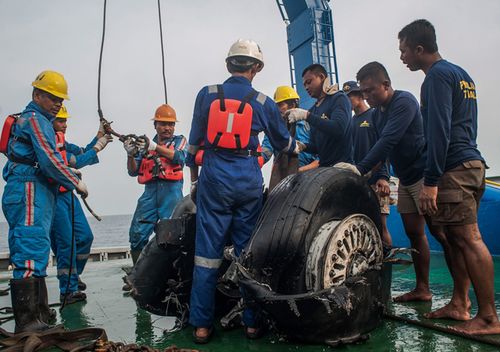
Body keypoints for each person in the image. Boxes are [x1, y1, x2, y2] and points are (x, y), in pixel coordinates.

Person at [186, 39, 299, 344]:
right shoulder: (263, 102)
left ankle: (201, 325)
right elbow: (283, 146)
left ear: (228, 65)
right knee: (247, 254)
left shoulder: (206, 95)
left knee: (206, 256)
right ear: (256, 68)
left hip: (214, 181)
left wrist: (193, 174)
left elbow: (194, 143)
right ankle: (252, 324)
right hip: (247, 181)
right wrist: (294, 142)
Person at [399, 19, 500, 334]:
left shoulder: (435, 78)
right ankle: (460, 304)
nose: (402, 57)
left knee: (468, 239)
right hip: (471, 162)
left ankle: (488, 318)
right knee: (456, 239)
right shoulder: (461, 75)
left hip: (454, 168)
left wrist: (431, 181)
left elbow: (439, 130)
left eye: (404, 51)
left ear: (419, 49)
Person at [1, 70, 87, 333]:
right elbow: (50, 160)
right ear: (36, 95)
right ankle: (28, 323)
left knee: (37, 250)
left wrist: (68, 172)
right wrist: (75, 182)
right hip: (29, 190)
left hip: (34, 190)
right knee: (29, 249)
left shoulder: (36, 120)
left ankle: (38, 315)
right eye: (52, 97)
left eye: (60, 99)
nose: (58, 103)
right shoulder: (36, 120)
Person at [341, 62, 435, 303]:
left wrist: (360, 169)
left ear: (386, 85)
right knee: (414, 232)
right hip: (406, 178)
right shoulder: (378, 114)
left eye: (371, 90)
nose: (367, 96)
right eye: (364, 92)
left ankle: (461, 299)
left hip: (423, 175)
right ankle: (422, 288)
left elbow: (388, 141)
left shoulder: (404, 102)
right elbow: (380, 151)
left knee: (442, 233)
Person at [50, 105, 112, 304]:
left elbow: (82, 152)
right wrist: (99, 147)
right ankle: (67, 291)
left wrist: (99, 135)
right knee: (66, 244)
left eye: (66, 121)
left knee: (85, 237)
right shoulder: (46, 143)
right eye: (61, 121)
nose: (65, 125)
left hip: (68, 196)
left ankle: (73, 277)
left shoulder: (62, 142)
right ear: (50, 122)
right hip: (54, 199)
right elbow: (75, 161)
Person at [123, 104, 187, 272]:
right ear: (155, 125)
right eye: (163, 123)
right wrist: (130, 154)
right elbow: (133, 170)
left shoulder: (180, 141)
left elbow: (180, 157)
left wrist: (153, 147)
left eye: (170, 124)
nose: (167, 128)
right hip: (149, 194)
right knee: (136, 234)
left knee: (171, 237)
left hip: (171, 193)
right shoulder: (144, 146)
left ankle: (170, 275)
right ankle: (138, 275)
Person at [342, 81, 392, 247]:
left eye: (349, 97)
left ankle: (387, 267)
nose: (347, 101)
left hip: (377, 181)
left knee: (381, 226)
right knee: (362, 225)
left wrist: (384, 176)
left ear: (359, 95)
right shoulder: (350, 122)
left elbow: (385, 146)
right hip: (359, 181)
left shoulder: (375, 115)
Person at [285, 64, 352, 166]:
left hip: (342, 166)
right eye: (304, 85)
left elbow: (339, 128)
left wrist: (307, 116)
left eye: (309, 82)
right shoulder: (313, 110)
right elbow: (318, 147)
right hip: (324, 168)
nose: (306, 87)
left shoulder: (338, 98)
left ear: (321, 77)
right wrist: (303, 146)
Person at [261, 86, 319, 172]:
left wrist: (301, 170)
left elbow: (322, 155)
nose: (277, 109)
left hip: (312, 175)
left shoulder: (309, 124)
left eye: (280, 105)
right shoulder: (273, 128)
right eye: (276, 106)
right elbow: (266, 150)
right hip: (285, 176)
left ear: (292, 105)